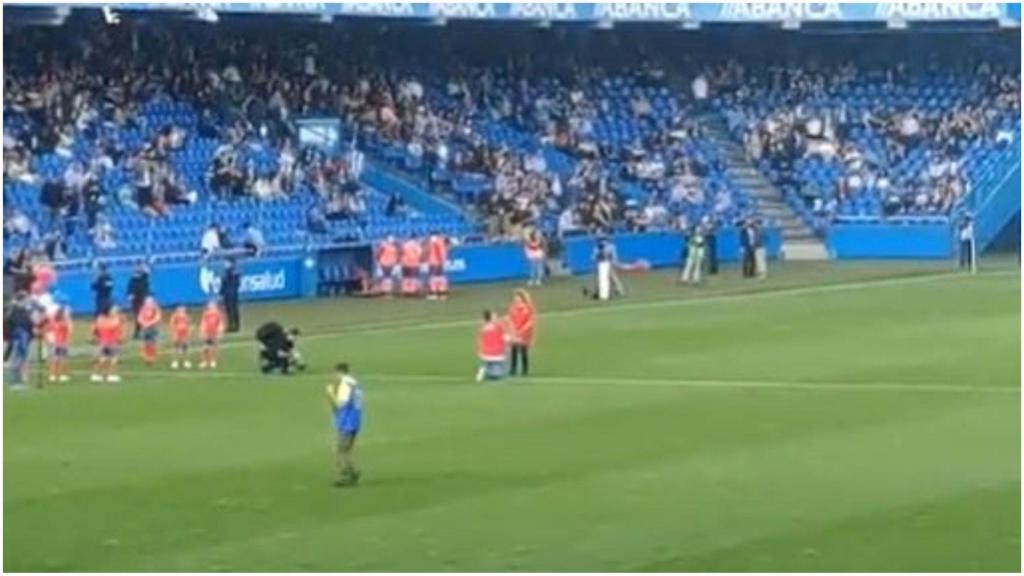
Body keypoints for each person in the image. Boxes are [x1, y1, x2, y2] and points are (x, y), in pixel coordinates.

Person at [325, 362, 363, 487]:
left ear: (339, 372)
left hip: (347, 421)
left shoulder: (345, 384)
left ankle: (346, 476)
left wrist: (331, 393)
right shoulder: (354, 383)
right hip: (355, 420)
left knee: (341, 450)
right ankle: (352, 473)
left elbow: (341, 404)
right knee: (345, 449)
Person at [6, 291, 36, 389]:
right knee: (17, 360)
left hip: (24, 338)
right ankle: (15, 382)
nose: (27, 300)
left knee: (21, 360)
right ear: (22, 299)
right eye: (26, 299)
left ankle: (18, 381)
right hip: (18, 339)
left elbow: (29, 323)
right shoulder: (15, 310)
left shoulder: (22, 310)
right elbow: (20, 324)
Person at [507, 289, 536, 377]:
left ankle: (525, 369)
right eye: (515, 298)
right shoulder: (512, 307)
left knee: (523, 351)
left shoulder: (527, 308)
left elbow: (530, 321)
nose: (516, 300)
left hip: (524, 333)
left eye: (518, 298)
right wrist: (513, 330)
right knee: (514, 351)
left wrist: (522, 330)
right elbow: (510, 319)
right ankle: (513, 369)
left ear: (522, 298)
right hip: (514, 332)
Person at [91, 306, 124, 383]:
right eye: (112, 310)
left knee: (102, 358)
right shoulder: (114, 320)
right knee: (114, 359)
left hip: (103, 342)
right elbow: (115, 326)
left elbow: (96, 328)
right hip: (112, 342)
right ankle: (112, 375)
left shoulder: (100, 319)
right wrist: (118, 318)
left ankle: (97, 375)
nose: (114, 311)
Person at [476, 309, 508, 382]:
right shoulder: (499, 326)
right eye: (494, 315)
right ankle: (491, 371)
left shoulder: (482, 327)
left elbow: (480, 341)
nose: (496, 316)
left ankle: (485, 368)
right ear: (491, 317)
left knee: (488, 363)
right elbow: (505, 338)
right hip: (498, 353)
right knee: (499, 373)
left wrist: (480, 351)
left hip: (485, 353)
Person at [47, 306, 72, 383]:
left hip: (55, 343)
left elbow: (48, 330)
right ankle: (61, 375)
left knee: (55, 359)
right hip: (62, 343)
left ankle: (52, 375)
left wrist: (49, 339)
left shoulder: (53, 323)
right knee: (62, 359)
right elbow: (68, 332)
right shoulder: (63, 323)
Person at [126, 262, 150, 339]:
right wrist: (130, 294)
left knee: (145, 316)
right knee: (138, 316)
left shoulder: (144, 276)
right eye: (137, 267)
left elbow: (148, 271)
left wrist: (143, 266)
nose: (138, 268)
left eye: (140, 267)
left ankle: (146, 332)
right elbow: (130, 287)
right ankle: (137, 333)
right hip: (136, 299)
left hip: (143, 298)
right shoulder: (133, 278)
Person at [136, 296, 162, 365]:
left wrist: (150, 323)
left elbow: (158, 317)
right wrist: (144, 323)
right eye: (147, 302)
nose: (149, 303)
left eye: (150, 302)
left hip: (152, 328)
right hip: (145, 328)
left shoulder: (155, 308)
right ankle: (146, 357)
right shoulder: (143, 308)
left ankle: (152, 357)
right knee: (145, 343)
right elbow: (139, 317)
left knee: (152, 343)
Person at [199, 301, 225, 369]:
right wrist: (202, 331)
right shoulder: (206, 314)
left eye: (213, 306)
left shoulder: (218, 314)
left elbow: (220, 323)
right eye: (210, 306)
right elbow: (203, 322)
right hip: (207, 332)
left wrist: (220, 332)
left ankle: (213, 361)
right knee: (205, 347)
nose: (211, 307)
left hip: (214, 333)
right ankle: (204, 361)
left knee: (213, 347)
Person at [425, 233, 449, 300]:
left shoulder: (433, 241)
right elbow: (447, 246)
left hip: (434, 260)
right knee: (440, 276)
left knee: (433, 277)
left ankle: (433, 294)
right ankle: (442, 294)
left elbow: (429, 250)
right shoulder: (442, 240)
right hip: (441, 260)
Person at [169, 305, 192, 369]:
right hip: (177, 333)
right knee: (175, 347)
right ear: (177, 310)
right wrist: (174, 333)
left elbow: (189, 324)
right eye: (180, 310)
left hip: (185, 333)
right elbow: (172, 324)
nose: (181, 311)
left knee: (185, 347)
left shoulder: (187, 316)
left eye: (183, 310)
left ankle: (186, 361)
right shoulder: (174, 316)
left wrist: (189, 332)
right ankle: (175, 361)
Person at [221, 259, 241, 333]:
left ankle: (236, 325)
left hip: (232, 294)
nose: (225, 265)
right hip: (227, 294)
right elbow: (223, 285)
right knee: (228, 310)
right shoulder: (225, 274)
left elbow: (237, 283)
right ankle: (230, 325)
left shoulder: (235, 273)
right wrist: (222, 293)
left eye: (227, 264)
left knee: (234, 309)